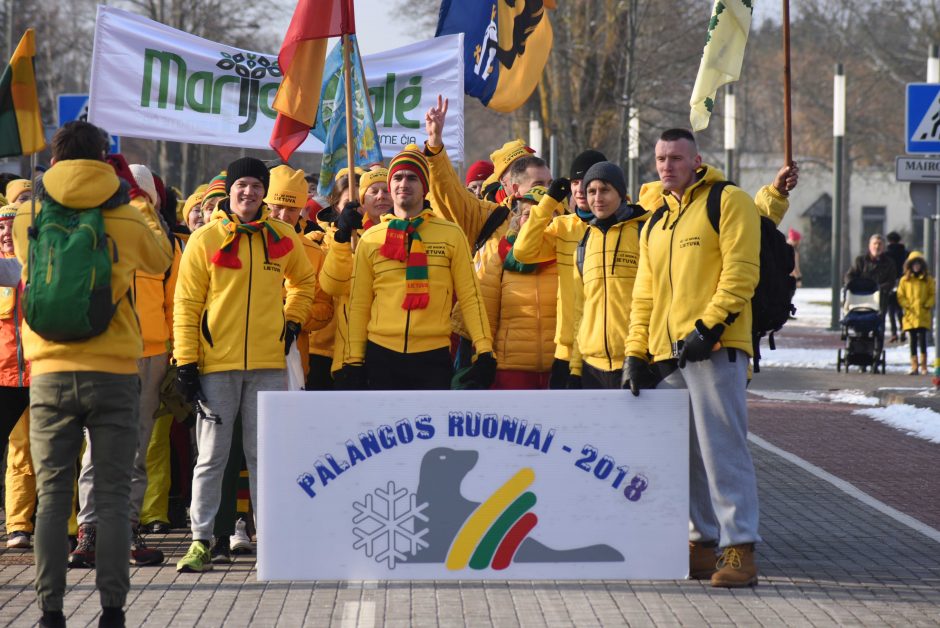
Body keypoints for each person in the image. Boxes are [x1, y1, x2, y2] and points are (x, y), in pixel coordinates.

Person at [12, 120, 174, 628]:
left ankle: (50, 610)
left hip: (50, 373)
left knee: (55, 496)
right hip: (114, 372)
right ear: (107, 160)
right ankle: (111, 610)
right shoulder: (126, 217)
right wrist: (137, 201)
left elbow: (26, 264)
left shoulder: (28, 214)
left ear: (55, 161)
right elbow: (162, 257)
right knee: (111, 492)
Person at [625, 128, 795, 589]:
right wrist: (634, 352)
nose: (667, 166)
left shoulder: (728, 200)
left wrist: (710, 326)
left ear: (696, 160)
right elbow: (644, 293)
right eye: (661, 158)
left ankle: (739, 547)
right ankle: (700, 543)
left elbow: (742, 272)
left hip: (716, 348)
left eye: (676, 158)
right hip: (668, 353)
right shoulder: (656, 220)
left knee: (723, 450)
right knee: (685, 456)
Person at [173, 157, 317, 574]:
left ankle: (272, 541)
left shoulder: (282, 235)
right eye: (243, 185)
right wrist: (185, 361)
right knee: (213, 456)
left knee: (265, 456)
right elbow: (186, 304)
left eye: (257, 186)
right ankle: (201, 540)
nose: (249, 193)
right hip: (217, 365)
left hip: (268, 365)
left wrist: (292, 320)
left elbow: (304, 282)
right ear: (230, 190)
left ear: (264, 193)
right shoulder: (205, 239)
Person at [70, 163, 180, 570]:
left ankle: (127, 528)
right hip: (106, 351)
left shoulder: (165, 246)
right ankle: (90, 532)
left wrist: (174, 355)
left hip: (150, 354)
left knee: (137, 446)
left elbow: (173, 304)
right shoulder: (94, 232)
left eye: (138, 194)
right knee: (96, 448)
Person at [337, 147, 495, 391]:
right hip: (381, 354)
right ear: (390, 186)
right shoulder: (371, 238)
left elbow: (470, 297)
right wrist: (354, 360)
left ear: (425, 187)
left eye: (412, 178)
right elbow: (359, 303)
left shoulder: (451, 234)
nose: (404, 184)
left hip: (433, 357)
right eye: (398, 177)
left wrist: (484, 349)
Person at [513, 149, 609, 388]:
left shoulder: (625, 227)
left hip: (606, 350)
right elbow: (523, 251)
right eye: (574, 182)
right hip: (566, 350)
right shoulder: (563, 226)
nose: (578, 188)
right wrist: (547, 203)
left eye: (585, 181)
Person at [568, 162, 648, 389]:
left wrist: (641, 354)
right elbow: (580, 311)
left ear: (621, 194)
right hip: (591, 366)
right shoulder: (584, 243)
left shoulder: (644, 232)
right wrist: (575, 367)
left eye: (605, 190)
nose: (597, 198)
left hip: (635, 360)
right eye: (591, 192)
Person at [478, 186, 559, 389]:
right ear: (517, 219)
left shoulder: (567, 256)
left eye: (543, 214)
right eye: (527, 214)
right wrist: (484, 356)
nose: (534, 221)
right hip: (511, 372)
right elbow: (486, 317)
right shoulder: (500, 258)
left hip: (558, 368)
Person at [320, 168, 392, 379]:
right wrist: (342, 238)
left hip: (397, 352)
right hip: (352, 354)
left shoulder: (412, 233)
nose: (381, 196)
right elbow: (333, 286)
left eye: (386, 190)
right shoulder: (350, 238)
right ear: (362, 201)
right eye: (374, 191)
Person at [0, 204, 34, 550]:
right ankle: (17, 525)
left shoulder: (35, 264)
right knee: (17, 453)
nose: (6, 233)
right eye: (1, 228)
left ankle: (68, 527)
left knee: (55, 452)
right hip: (4, 377)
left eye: (12, 227)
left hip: (41, 373)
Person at [845, 234, 896, 349]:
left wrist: (879, 289)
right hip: (861, 299)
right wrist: (852, 285)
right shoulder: (861, 261)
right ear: (869, 246)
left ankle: (876, 355)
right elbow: (850, 275)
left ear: (883, 247)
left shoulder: (889, 263)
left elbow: (891, 281)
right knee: (861, 326)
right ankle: (861, 352)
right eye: (875, 244)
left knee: (878, 329)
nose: (877, 247)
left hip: (880, 301)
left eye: (880, 244)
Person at [896, 251, 934, 375]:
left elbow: (932, 294)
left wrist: (927, 305)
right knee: (912, 341)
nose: (916, 266)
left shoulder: (928, 280)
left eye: (919, 264)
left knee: (923, 340)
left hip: (922, 314)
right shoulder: (905, 280)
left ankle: (924, 366)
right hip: (910, 314)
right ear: (910, 265)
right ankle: (914, 366)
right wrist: (907, 305)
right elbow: (900, 295)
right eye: (914, 264)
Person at [885, 231, 908, 342]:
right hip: (902, 282)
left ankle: (894, 333)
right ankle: (903, 328)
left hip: (890, 282)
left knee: (891, 309)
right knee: (900, 309)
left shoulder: (886, 254)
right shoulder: (905, 252)